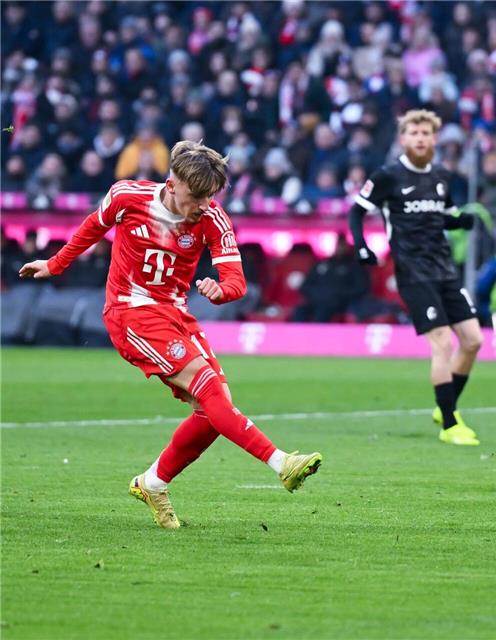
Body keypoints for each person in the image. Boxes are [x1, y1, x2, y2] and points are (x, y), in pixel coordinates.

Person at [19, 141, 323, 529]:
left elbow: (235, 279)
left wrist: (222, 290)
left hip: (176, 314)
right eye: (196, 196)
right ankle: (282, 462)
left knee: (215, 409)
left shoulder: (213, 218)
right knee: (212, 393)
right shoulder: (127, 196)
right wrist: (56, 264)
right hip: (130, 312)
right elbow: (94, 226)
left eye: (209, 196)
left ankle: (153, 482)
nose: (203, 205)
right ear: (172, 183)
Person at [348, 109, 483, 446]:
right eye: (414, 133)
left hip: (444, 270)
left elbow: (441, 216)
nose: (421, 138)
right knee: (443, 342)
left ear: (435, 138)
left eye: (426, 133)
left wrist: (460, 221)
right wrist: (362, 247)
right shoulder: (387, 176)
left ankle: (446, 403)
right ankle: (450, 424)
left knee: (473, 340)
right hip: (412, 272)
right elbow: (356, 210)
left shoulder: (441, 175)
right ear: (403, 138)